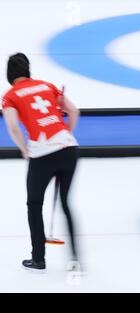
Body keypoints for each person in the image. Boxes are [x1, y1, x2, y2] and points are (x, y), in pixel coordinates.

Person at [2, 52, 80, 272]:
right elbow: (73, 111)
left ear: (9, 75)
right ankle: (75, 258)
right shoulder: (47, 86)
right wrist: (66, 135)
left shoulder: (10, 96)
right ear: (28, 70)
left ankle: (38, 259)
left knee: (34, 204)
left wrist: (24, 149)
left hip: (42, 152)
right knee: (66, 203)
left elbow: (13, 127)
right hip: (68, 147)